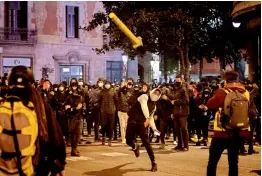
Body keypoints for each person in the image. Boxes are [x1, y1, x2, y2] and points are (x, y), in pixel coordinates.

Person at [206, 71, 251, 176]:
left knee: (213, 161)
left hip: (221, 132)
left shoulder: (222, 91)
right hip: (238, 132)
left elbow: (209, 104)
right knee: (233, 163)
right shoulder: (246, 92)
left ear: (225, 80)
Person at [126, 88, 162, 172]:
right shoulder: (144, 96)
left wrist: (154, 128)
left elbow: (151, 118)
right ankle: (135, 147)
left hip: (142, 124)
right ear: (152, 92)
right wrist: (147, 118)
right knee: (128, 140)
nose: (156, 95)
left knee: (146, 143)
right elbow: (144, 106)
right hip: (132, 121)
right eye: (155, 92)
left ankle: (153, 163)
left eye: (158, 94)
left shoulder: (154, 106)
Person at [169, 75, 190, 151]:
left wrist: (176, 102)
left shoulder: (183, 89)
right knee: (177, 129)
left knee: (184, 129)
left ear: (181, 80)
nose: (177, 81)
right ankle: (179, 145)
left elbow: (186, 101)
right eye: (176, 79)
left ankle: (186, 145)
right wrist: (172, 112)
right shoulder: (174, 89)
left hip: (183, 112)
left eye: (178, 79)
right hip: (176, 112)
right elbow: (172, 102)